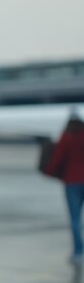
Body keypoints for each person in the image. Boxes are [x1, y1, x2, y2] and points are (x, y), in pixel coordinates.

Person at [45, 112, 84, 264]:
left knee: (75, 218)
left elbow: (57, 158)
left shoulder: (67, 137)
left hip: (72, 181)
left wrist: (48, 171)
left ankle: (78, 252)